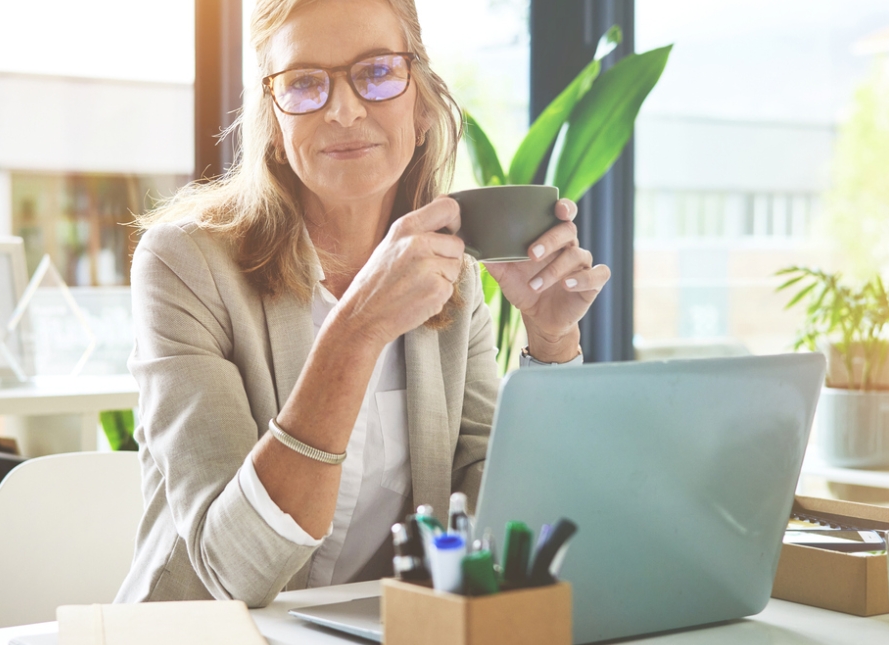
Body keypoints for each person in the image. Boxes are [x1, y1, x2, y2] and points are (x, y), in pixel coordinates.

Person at [115, 0, 610, 608]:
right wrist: (357, 330)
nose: (343, 110)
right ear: (273, 119)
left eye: (377, 73)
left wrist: (552, 345)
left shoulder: (450, 276)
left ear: (422, 105)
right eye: (303, 83)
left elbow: (489, 526)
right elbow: (233, 572)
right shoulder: (185, 264)